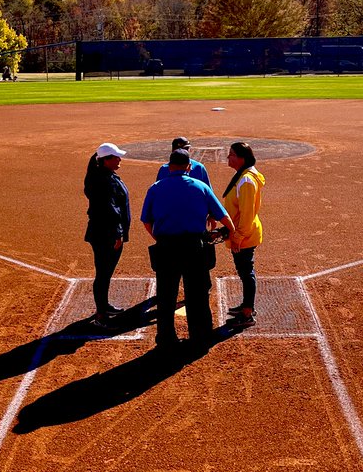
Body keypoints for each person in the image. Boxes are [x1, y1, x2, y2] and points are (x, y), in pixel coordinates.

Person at [141, 149, 233, 352]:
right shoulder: (200, 186)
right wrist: (229, 232)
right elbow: (225, 219)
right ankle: (199, 336)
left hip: (166, 247)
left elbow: (146, 221)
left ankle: (166, 338)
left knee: (166, 295)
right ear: (189, 167)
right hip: (195, 248)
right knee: (197, 294)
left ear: (169, 166)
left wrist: (160, 238)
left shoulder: (155, 188)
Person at [84, 141, 130, 326]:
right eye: (116, 157)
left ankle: (104, 306)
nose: (120, 159)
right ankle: (101, 316)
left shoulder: (101, 175)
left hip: (102, 233)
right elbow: (111, 210)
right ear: (106, 160)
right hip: (106, 235)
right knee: (103, 273)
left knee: (105, 273)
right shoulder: (105, 181)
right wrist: (118, 234)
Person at [223, 141, 265, 328]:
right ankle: (246, 306)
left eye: (231, 154)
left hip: (244, 235)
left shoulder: (246, 181)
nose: (228, 157)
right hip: (242, 233)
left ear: (241, 159)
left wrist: (238, 237)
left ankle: (247, 313)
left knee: (246, 272)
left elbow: (247, 214)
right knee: (244, 271)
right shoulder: (243, 176)